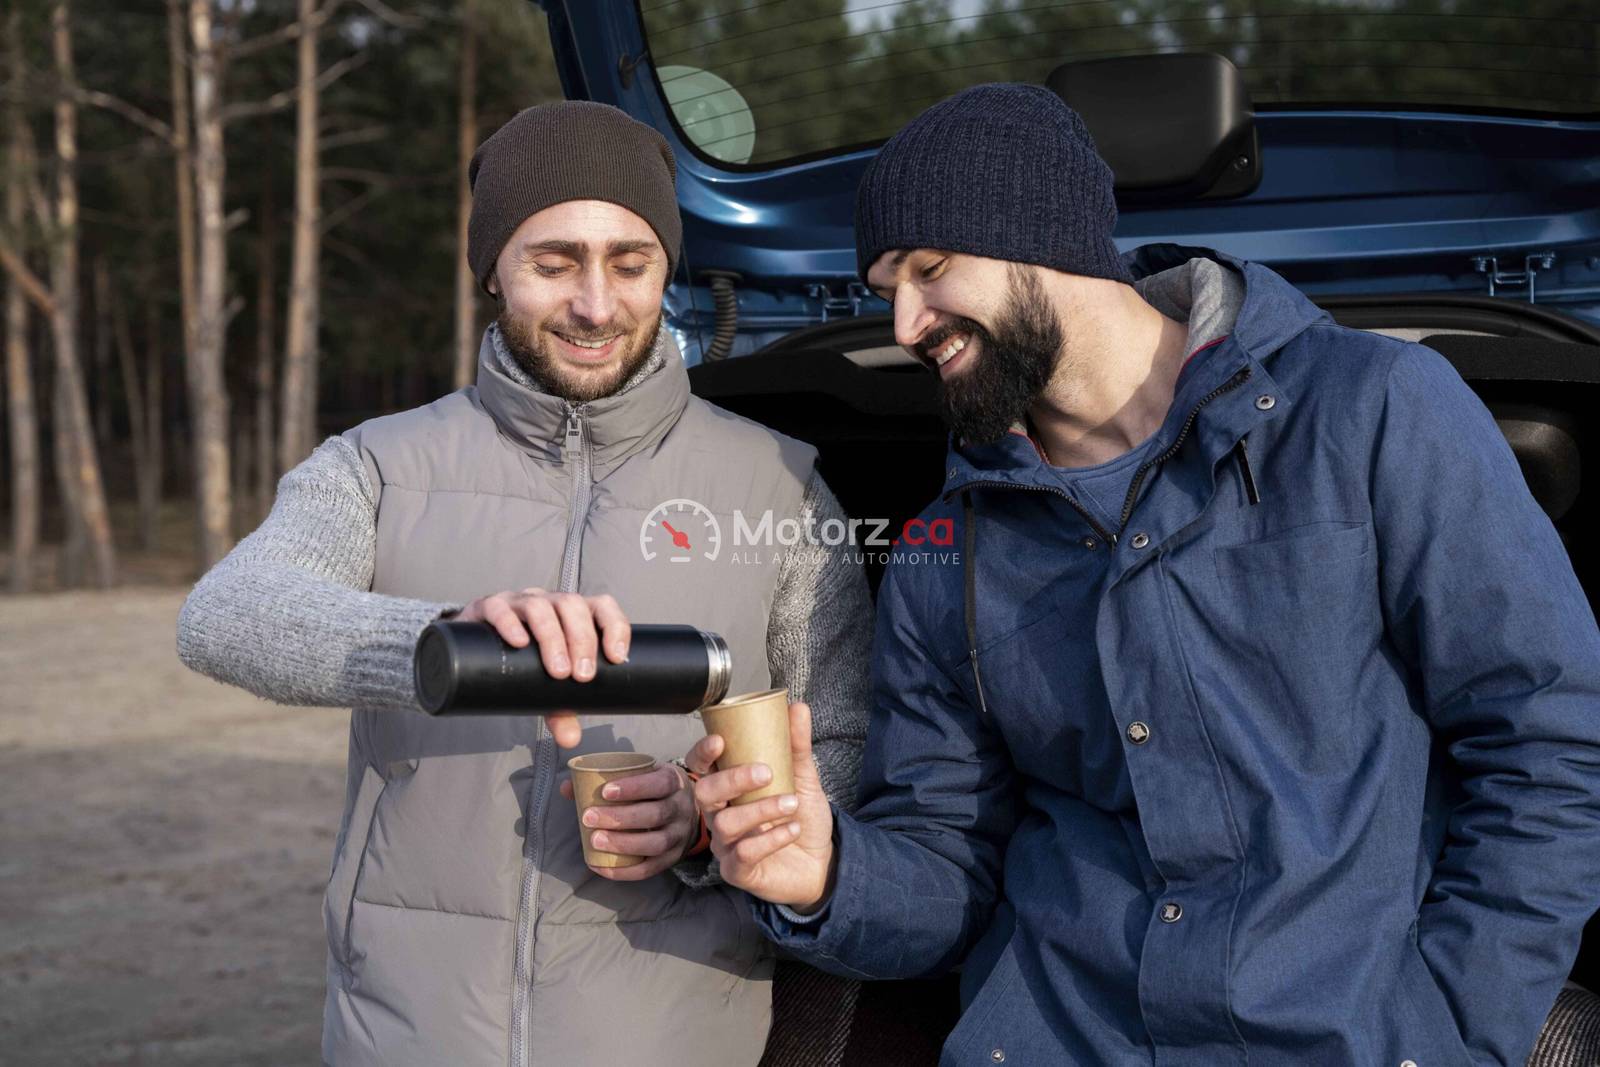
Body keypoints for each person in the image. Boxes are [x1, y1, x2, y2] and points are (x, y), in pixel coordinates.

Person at [691, 84, 1600, 1065]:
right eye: (884, 288)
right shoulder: (940, 555)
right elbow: (948, 868)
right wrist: (828, 871)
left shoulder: (1371, 413)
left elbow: (1548, 737)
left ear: (1042, 234)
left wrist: (1452, 1026)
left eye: (930, 268)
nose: (906, 321)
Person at [176, 100, 871, 1067]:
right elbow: (225, 614)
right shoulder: (377, 465)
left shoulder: (781, 486)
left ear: (667, 268)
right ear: (491, 268)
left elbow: (841, 741)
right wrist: (441, 641)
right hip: (407, 1035)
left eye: (629, 263)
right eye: (553, 263)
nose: (595, 303)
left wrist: (712, 831)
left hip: (670, 1035)